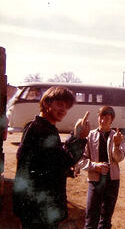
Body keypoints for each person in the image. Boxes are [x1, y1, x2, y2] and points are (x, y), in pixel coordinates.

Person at [13, 86, 90, 229]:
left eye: (66, 107)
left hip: (37, 207)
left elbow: (55, 159)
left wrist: (75, 135)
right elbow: (64, 162)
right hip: (38, 209)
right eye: (60, 104)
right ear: (47, 103)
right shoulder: (40, 130)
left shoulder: (40, 127)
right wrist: (80, 138)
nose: (64, 110)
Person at [81, 106, 125, 229]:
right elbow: (81, 159)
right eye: (101, 117)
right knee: (91, 218)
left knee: (106, 219)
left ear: (112, 120)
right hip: (95, 181)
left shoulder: (117, 136)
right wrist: (95, 166)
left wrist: (117, 145)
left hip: (112, 181)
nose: (103, 121)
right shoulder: (90, 136)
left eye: (107, 118)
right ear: (98, 117)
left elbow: (119, 158)